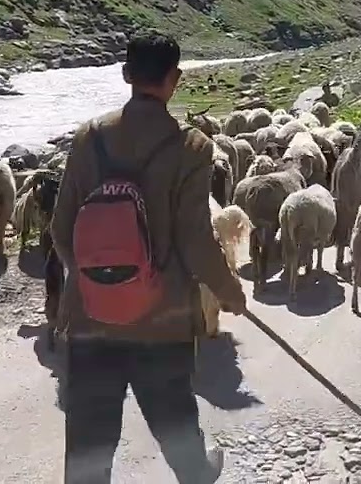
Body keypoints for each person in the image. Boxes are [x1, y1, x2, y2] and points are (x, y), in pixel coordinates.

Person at [50, 30, 248, 484]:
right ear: (174, 79)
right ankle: (197, 474)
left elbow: (61, 230)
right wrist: (229, 291)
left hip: (90, 321)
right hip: (163, 321)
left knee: (88, 439)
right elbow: (196, 239)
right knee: (174, 415)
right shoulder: (193, 148)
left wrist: (94, 282)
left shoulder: (87, 138)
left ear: (125, 74)